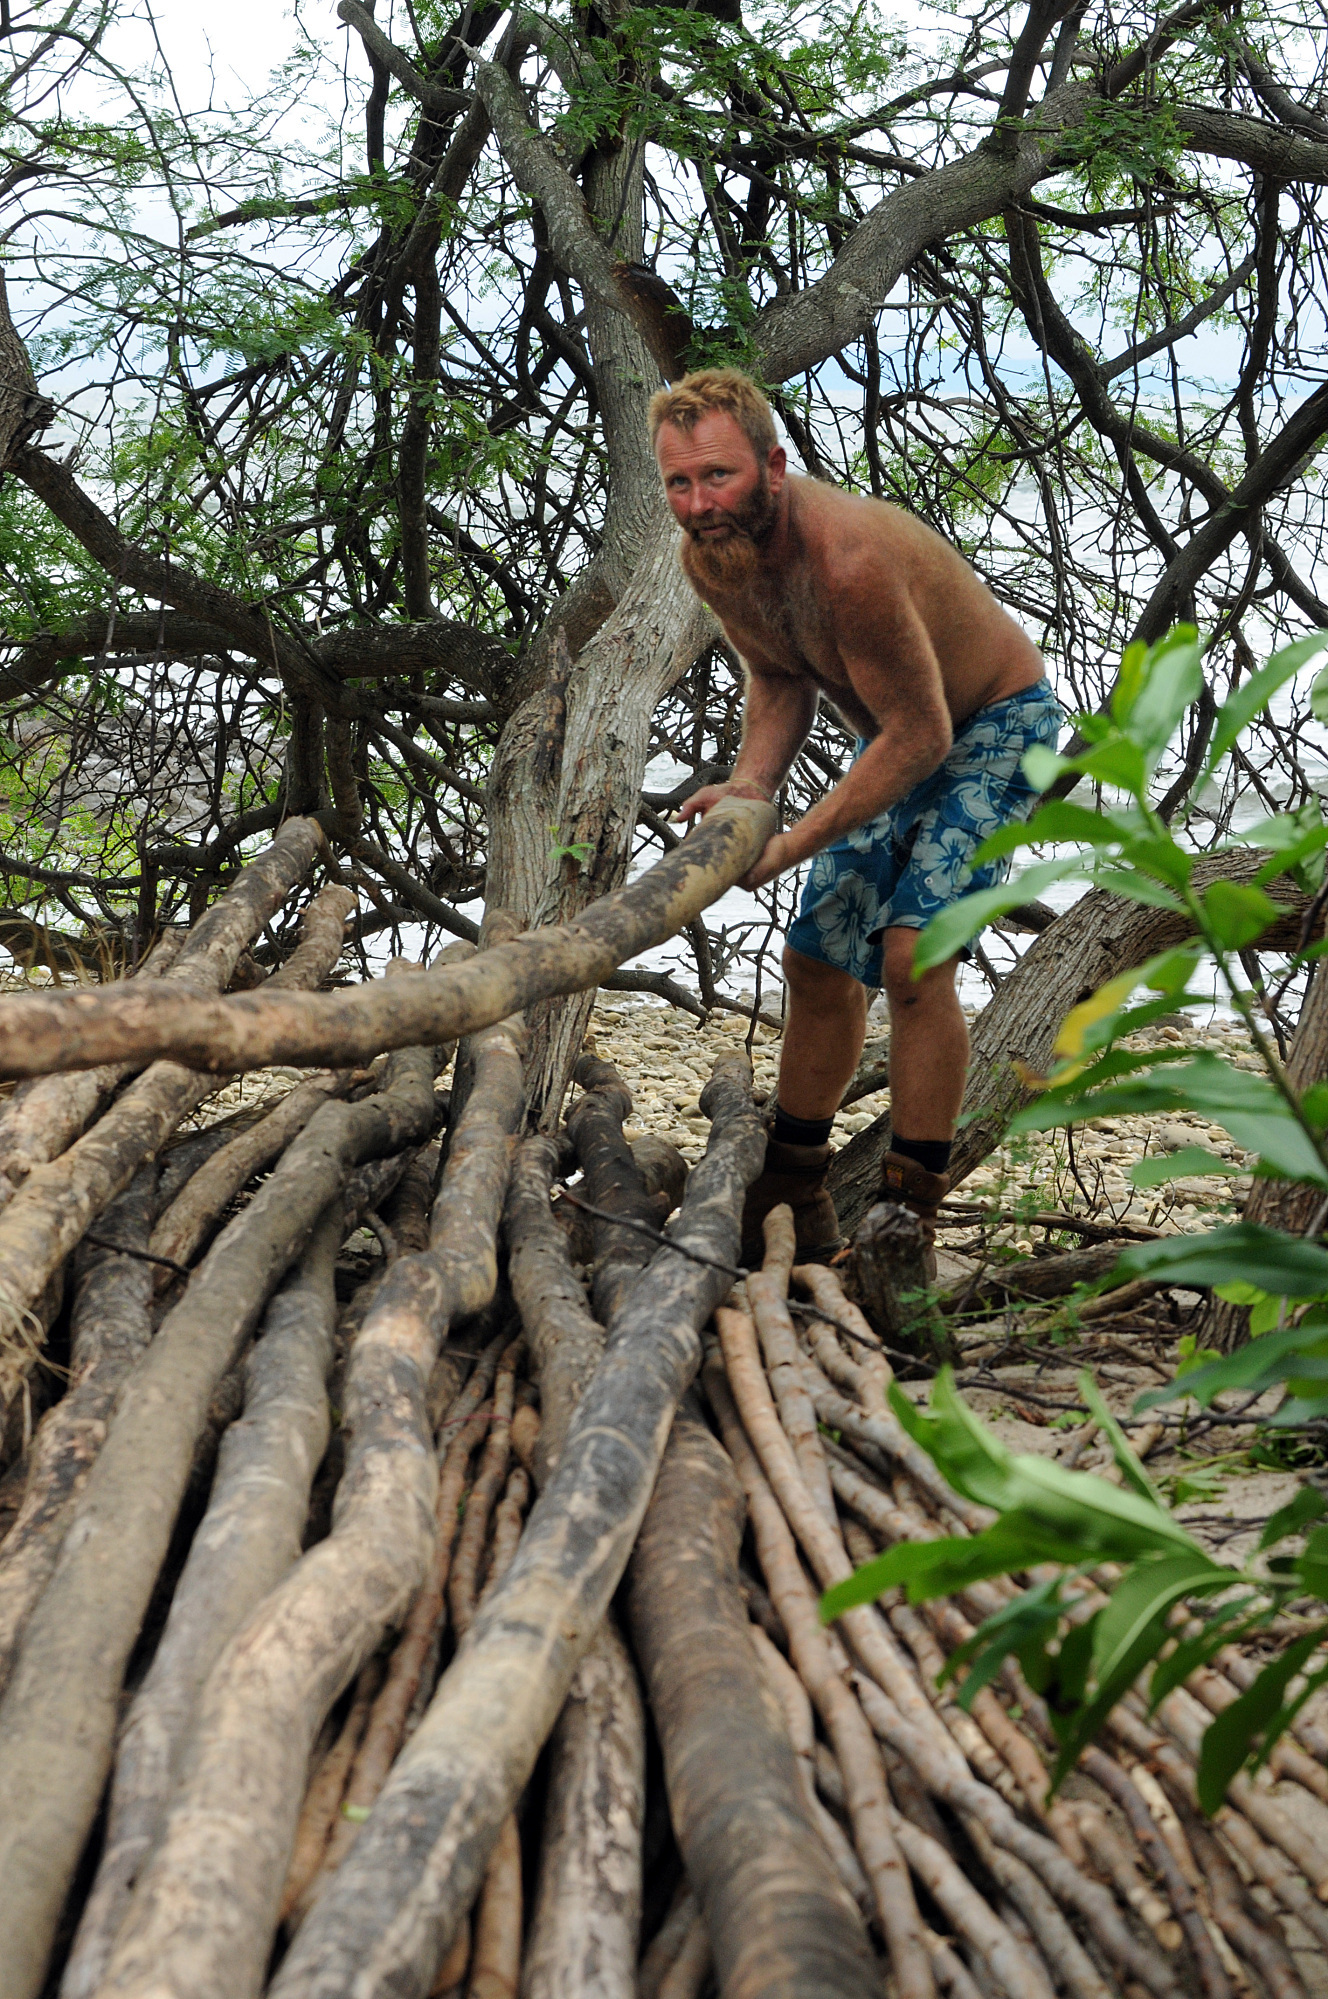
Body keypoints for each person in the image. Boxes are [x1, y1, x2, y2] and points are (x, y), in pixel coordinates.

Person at [650, 367, 1063, 1268]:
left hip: (998, 725)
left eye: (717, 476)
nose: (698, 503)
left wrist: (797, 839)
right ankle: (793, 1186)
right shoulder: (712, 555)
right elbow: (779, 676)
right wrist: (752, 785)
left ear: (773, 464)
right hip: (904, 732)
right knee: (815, 956)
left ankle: (908, 1213)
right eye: (678, 482)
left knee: (915, 955)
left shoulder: (849, 562)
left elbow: (922, 736)